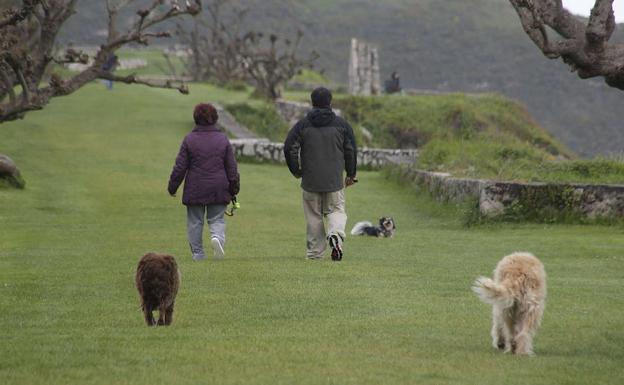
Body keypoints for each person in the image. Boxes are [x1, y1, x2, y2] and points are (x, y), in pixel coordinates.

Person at [283, 87, 357, 261]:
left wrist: (296, 170)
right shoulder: (342, 125)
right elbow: (351, 150)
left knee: (314, 216)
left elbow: (289, 147)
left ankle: (315, 253)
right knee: (337, 210)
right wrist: (351, 174)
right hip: (334, 181)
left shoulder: (302, 125)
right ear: (330, 102)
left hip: (310, 180)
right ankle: (336, 234)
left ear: (312, 102)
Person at [168, 103, 240, 261]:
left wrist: (172, 187)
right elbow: (232, 168)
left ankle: (198, 253)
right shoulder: (223, 139)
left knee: (195, 222)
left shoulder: (189, 140)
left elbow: (180, 167)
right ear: (215, 119)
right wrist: (234, 189)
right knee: (217, 219)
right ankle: (217, 239)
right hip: (218, 187)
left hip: (196, 187)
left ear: (196, 119)